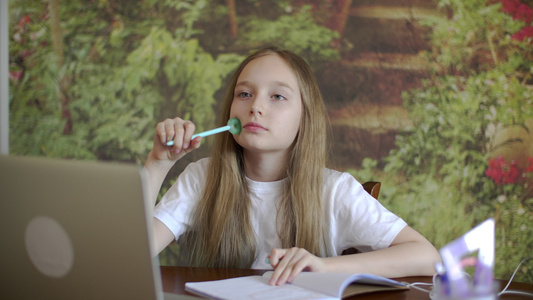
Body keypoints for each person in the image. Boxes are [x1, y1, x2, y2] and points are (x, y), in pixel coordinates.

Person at [143, 46, 441, 286]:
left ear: (304, 117)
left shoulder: (334, 191)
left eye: (277, 96)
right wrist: (157, 164)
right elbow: (130, 255)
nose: (255, 106)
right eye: (244, 93)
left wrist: (325, 267)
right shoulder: (203, 178)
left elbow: (428, 257)